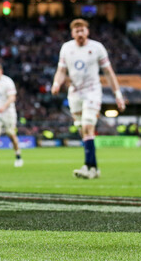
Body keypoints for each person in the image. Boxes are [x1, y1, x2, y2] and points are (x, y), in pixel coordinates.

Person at [52, 18, 126, 179]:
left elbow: (109, 72)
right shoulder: (66, 48)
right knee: (82, 130)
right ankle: (94, 168)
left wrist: (118, 94)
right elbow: (61, 70)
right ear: (72, 33)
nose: (80, 33)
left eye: (82, 30)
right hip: (74, 93)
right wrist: (56, 84)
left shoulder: (97, 48)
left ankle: (88, 166)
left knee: (87, 126)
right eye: (77, 31)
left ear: (87, 31)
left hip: (92, 91)